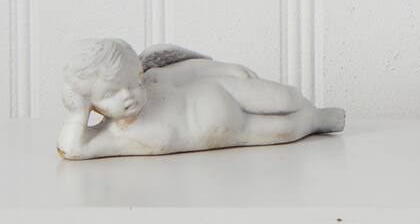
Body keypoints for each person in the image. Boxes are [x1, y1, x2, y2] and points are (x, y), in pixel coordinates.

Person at [56, 37, 344, 159]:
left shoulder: (155, 80)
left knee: (287, 98)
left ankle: (314, 111)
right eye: (110, 94)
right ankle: (319, 119)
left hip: (222, 90)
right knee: (286, 130)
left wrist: (225, 69)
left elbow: (190, 71)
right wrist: (77, 113)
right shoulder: (116, 137)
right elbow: (72, 149)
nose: (128, 95)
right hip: (235, 131)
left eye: (132, 82)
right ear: (89, 102)